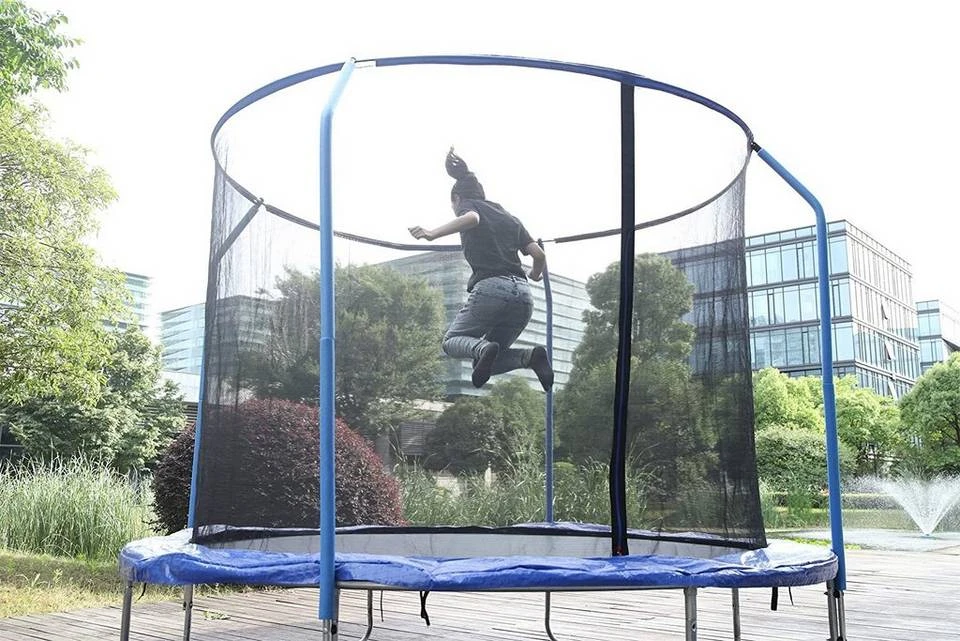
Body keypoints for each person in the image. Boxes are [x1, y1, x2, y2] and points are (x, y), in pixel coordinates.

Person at [409, 148, 554, 391]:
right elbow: (539, 255)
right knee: (487, 362)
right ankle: (530, 357)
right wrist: (535, 274)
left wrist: (432, 233)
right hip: (523, 296)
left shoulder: (469, 206)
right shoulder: (510, 218)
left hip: (492, 288)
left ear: (456, 199)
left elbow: (472, 219)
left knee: (452, 341)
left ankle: (483, 348)